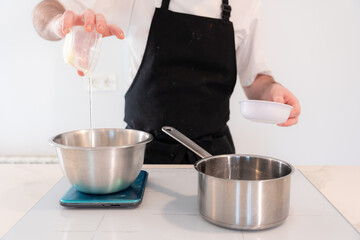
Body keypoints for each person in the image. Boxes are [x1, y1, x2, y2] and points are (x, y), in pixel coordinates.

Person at [32, 0, 301, 164]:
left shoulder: (245, 3)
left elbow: (257, 81)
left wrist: (271, 91)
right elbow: (44, 11)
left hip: (214, 161)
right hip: (142, 158)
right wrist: (59, 23)